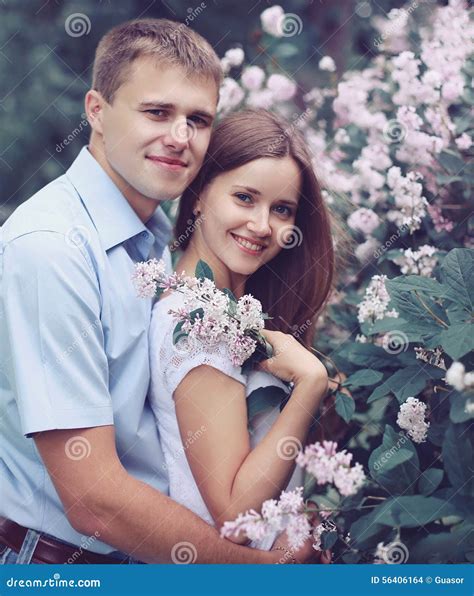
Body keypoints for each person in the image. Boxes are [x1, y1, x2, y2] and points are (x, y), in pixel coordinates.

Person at [0, 19, 319, 565]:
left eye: (198, 120)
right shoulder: (53, 249)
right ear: (96, 111)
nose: (179, 137)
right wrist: (263, 573)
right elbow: (91, 498)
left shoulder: (153, 241)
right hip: (58, 563)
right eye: (157, 112)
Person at [149, 109, 334, 556]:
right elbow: (236, 516)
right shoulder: (198, 322)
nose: (262, 225)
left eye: (282, 209)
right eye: (245, 198)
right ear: (197, 195)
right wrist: (311, 386)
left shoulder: (234, 313)